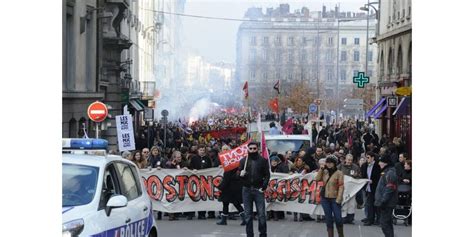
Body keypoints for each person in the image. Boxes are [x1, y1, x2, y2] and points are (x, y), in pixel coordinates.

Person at [238, 141, 270, 237]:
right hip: (246, 190)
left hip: (258, 189)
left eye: (254, 148)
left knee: (261, 214)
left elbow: (267, 175)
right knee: (248, 215)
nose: (252, 150)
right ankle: (249, 235)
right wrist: (240, 174)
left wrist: (264, 186)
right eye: (250, 148)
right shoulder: (243, 160)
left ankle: (263, 234)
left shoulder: (262, 161)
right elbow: (238, 173)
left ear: (258, 149)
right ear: (248, 149)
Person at [315, 155, 345, 237]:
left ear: (334, 163)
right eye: (327, 163)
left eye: (330, 163)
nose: (328, 164)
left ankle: (341, 235)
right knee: (328, 219)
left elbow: (341, 186)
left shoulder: (339, 173)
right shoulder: (324, 171)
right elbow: (317, 179)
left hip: (335, 199)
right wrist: (321, 169)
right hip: (325, 199)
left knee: (338, 219)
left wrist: (339, 199)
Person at [374, 155, 399, 237]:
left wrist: (383, 201)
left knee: (384, 223)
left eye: (380, 162)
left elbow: (390, 188)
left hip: (387, 203)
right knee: (388, 222)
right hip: (387, 202)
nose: (379, 163)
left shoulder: (390, 173)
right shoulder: (387, 172)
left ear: (386, 163)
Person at [188, 144, 213, 219]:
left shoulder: (207, 158)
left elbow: (210, 168)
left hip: (204, 181)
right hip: (195, 180)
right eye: (200, 150)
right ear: (198, 150)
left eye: (203, 150)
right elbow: (190, 167)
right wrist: (193, 169)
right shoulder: (194, 158)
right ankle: (191, 213)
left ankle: (201, 214)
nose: (202, 151)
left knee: (203, 197)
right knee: (194, 196)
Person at [337, 154, 360, 224]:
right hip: (342, 188)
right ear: (345, 159)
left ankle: (350, 218)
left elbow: (359, 176)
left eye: (351, 160)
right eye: (348, 160)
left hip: (352, 189)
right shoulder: (340, 166)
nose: (349, 161)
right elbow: (335, 174)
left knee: (352, 204)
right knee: (344, 202)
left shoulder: (355, 167)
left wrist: (356, 176)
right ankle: (343, 217)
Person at [360, 152, 381, 226]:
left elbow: (379, 177)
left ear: (372, 158)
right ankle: (370, 218)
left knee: (376, 204)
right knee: (369, 204)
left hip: (375, 187)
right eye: (366, 157)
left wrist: (373, 181)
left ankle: (377, 219)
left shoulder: (377, 166)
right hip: (367, 187)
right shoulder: (364, 165)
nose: (367, 159)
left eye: (368, 157)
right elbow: (362, 175)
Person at [290, 157, 310, 222]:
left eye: (300, 160)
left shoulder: (306, 168)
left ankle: (301, 215)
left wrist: (306, 174)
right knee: (294, 201)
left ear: (302, 161)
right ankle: (295, 215)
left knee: (301, 201)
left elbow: (310, 176)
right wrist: (290, 173)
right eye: (298, 160)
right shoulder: (292, 168)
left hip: (302, 186)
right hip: (294, 187)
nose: (299, 162)